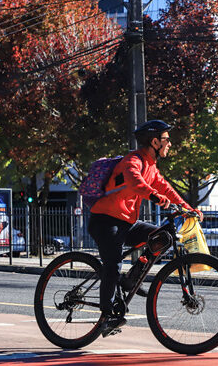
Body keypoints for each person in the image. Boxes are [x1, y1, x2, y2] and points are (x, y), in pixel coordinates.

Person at [88, 119, 203, 337]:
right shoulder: (133, 160)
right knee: (112, 267)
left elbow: (165, 188)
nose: (170, 144)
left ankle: (132, 277)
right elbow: (134, 181)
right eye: (167, 139)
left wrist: (189, 208)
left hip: (126, 222)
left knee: (164, 235)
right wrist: (154, 196)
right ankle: (106, 316)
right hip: (105, 220)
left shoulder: (151, 165)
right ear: (154, 141)